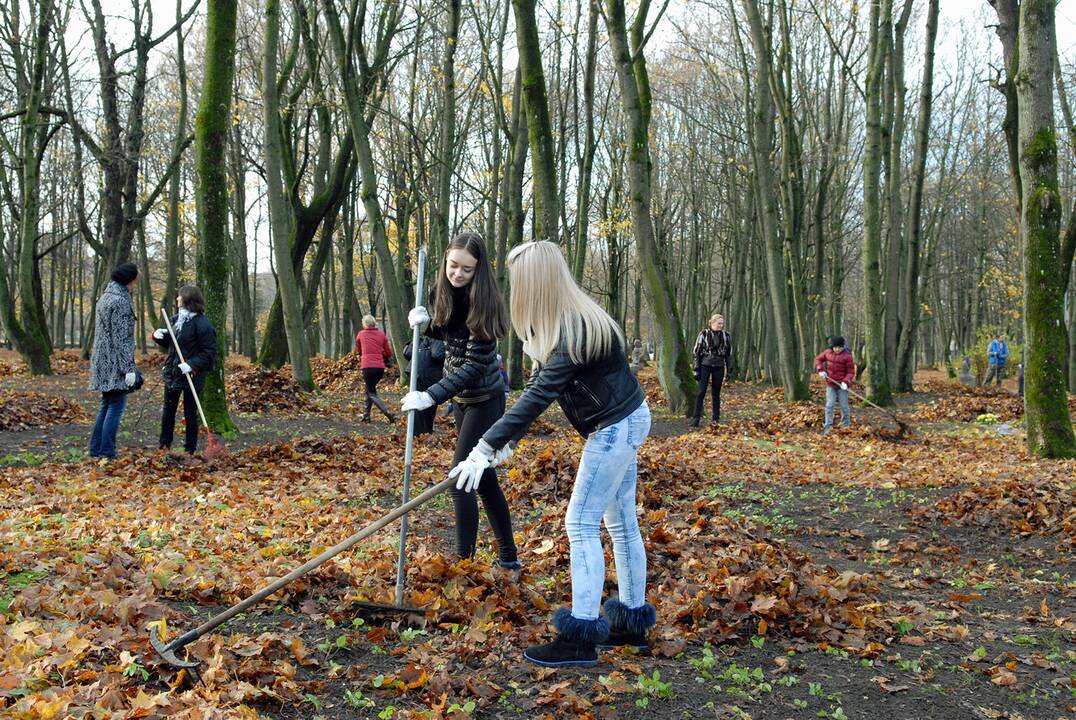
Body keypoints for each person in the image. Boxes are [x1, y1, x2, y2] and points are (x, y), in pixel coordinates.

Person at [448, 241, 655, 668]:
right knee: (621, 522)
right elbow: (542, 391)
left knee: (580, 522)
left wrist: (482, 448)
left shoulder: (572, 330)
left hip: (614, 428)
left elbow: (539, 394)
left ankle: (580, 637)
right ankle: (632, 625)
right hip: (629, 419)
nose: (513, 289)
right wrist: (504, 446)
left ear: (535, 284)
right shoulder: (575, 318)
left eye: (519, 281)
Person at [400, 232, 520, 577]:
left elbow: (471, 366)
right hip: (463, 402)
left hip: (485, 400)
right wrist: (426, 326)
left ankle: (463, 565)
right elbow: (451, 336)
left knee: (460, 480)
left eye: (467, 269)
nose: (457, 274)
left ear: (478, 269)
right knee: (483, 481)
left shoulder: (486, 303)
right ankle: (508, 557)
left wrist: (431, 396)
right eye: (453, 265)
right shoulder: (446, 291)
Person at [153, 285, 218, 454]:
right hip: (173, 372)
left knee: (190, 412)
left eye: (180, 297)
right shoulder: (176, 320)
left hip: (192, 375)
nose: (177, 299)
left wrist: (191, 364)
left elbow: (209, 352)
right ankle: (164, 445)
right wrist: (159, 336)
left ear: (188, 299)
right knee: (168, 410)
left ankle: (190, 448)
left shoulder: (203, 324)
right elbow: (173, 344)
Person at [88, 262, 140, 459]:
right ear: (130, 279)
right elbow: (121, 338)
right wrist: (128, 368)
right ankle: (107, 451)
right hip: (114, 362)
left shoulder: (106, 297)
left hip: (102, 359)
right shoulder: (120, 302)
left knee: (107, 404)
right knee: (116, 405)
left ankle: (96, 449)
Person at [691, 314, 734, 427]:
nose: (721, 325)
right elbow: (696, 352)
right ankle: (696, 418)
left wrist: (729, 370)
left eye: (722, 323)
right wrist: (696, 369)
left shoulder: (726, 336)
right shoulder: (703, 334)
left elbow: (729, 354)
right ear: (712, 323)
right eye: (719, 323)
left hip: (719, 365)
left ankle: (716, 418)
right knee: (701, 392)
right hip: (705, 364)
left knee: (716, 393)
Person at [355, 315, 396, 422]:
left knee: (371, 392)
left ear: (365, 324)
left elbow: (359, 351)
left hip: (367, 367)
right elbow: (389, 353)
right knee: (369, 389)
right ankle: (366, 415)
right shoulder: (382, 335)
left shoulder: (360, 334)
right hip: (379, 368)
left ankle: (388, 413)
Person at [402, 336, 445, 435]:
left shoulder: (425, 335)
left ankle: (422, 432)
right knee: (427, 404)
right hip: (427, 373)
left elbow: (408, 353)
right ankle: (420, 433)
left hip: (418, 371)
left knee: (424, 404)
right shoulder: (438, 334)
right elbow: (438, 354)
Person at [815, 335, 855, 434]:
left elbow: (851, 372)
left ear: (843, 346)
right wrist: (821, 370)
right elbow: (818, 359)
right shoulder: (828, 353)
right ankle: (828, 426)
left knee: (844, 406)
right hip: (831, 384)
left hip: (842, 385)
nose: (837, 349)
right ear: (832, 347)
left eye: (839, 347)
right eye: (835, 347)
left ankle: (846, 425)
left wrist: (845, 381)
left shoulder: (847, 356)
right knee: (830, 405)